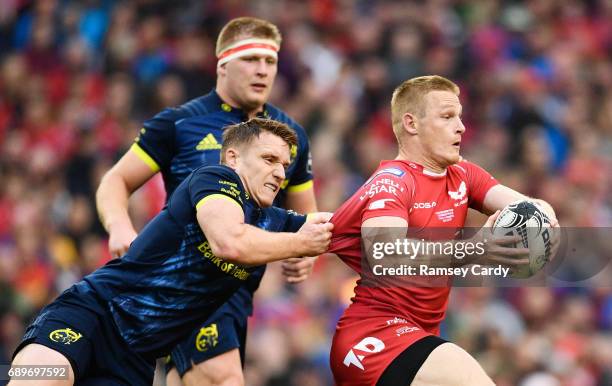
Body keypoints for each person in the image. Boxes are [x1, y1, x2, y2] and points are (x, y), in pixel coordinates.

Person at [9, 119, 333, 386]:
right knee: (38, 379)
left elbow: (333, 225)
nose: (280, 173)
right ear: (233, 158)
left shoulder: (273, 219)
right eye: (269, 159)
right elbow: (229, 242)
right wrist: (303, 243)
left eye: (285, 165)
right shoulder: (215, 179)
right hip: (93, 314)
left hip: (134, 360)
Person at [95, 17, 317, 386]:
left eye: (270, 61)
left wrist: (303, 253)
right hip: (184, 276)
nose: (262, 70)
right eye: (251, 59)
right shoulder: (180, 124)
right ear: (223, 65)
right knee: (222, 378)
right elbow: (115, 180)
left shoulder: (290, 135)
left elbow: (305, 211)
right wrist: (119, 225)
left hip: (237, 288)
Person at [327, 75, 560, 386]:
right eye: (447, 116)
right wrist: (477, 248)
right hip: (375, 336)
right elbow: (384, 253)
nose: (461, 126)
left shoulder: (462, 174)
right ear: (411, 124)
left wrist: (545, 221)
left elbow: (526, 204)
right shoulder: (394, 182)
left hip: (419, 335)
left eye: (460, 116)